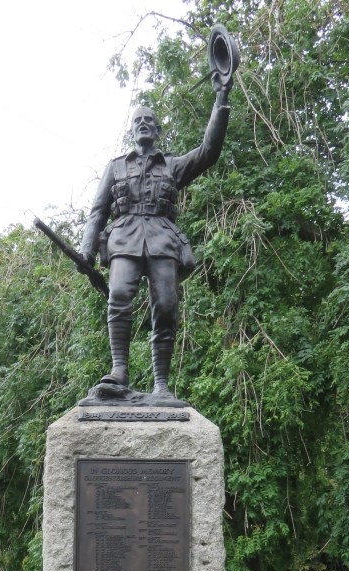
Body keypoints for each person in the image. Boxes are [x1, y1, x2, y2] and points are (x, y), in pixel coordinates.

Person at [79, 73, 233, 403]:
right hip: (123, 238)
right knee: (118, 296)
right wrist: (86, 250)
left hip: (163, 239)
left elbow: (208, 151)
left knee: (166, 306)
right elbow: (97, 212)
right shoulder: (115, 167)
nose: (144, 124)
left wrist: (222, 98)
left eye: (150, 120)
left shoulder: (172, 167)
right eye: (139, 121)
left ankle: (161, 384)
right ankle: (119, 370)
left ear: (158, 130)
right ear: (131, 130)